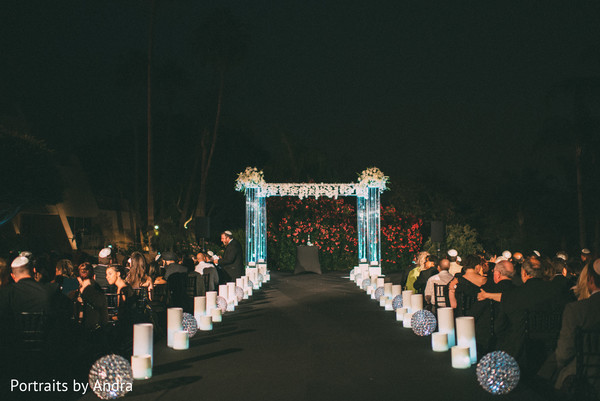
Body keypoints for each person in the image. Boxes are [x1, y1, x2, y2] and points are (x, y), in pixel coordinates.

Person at [551, 258, 600, 393]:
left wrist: (560, 366)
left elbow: (564, 352)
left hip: (583, 375)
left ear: (590, 280)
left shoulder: (577, 309)